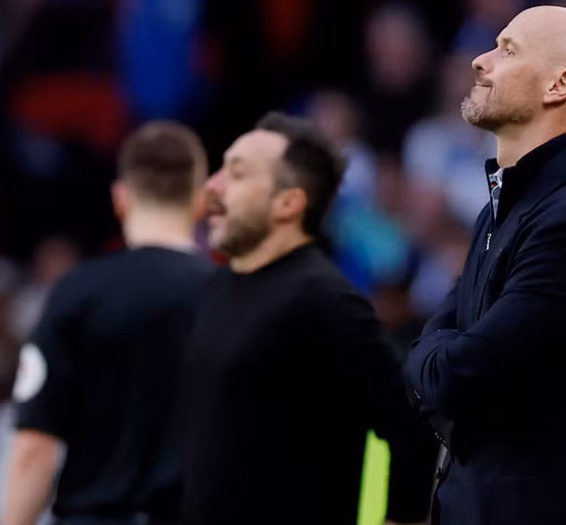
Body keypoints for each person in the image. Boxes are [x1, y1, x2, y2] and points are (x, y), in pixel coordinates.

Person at [404, 5, 566, 525]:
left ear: (559, 84)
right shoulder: (501, 212)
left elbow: (453, 379)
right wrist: (437, 362)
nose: (479, 60)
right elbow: (438, 350)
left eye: (508, 50)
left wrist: (436, 364)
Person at [183, 112, 436, 525]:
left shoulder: (325, 300)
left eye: (237, 173)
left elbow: (410, 426)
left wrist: (399, 518)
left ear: (289, 203)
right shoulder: (217, 287)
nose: (212, 186)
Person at [4, 122, 212, 525]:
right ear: (201, 201)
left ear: (120, 199)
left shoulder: (76, 293)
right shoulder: (230, 298)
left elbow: (35, 447)